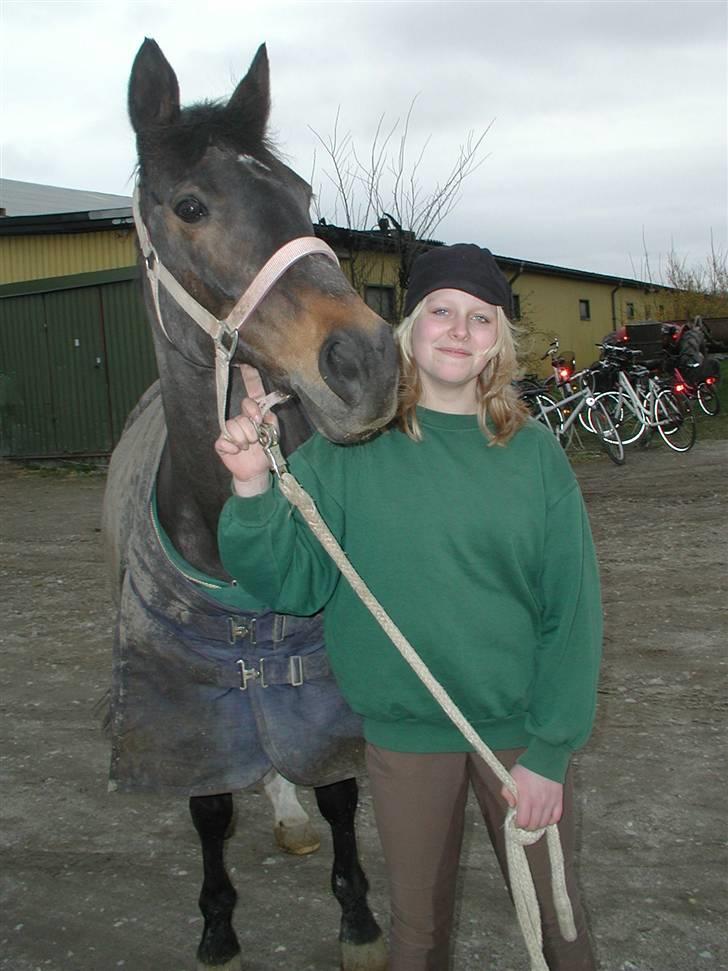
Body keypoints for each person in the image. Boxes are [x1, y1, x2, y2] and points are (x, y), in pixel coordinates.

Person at [214, 243, 602, 971]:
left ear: (499, 341)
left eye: (480, 317)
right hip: (409, 738)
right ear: (409, 329)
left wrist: (549, 754)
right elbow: (292, 583)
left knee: (560, 921)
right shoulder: (348, 450)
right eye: (441, 312)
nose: (459, 330)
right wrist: (253, 488)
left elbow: (572, 613)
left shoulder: (535, 456)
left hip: (519, 735)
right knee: (417, 933)